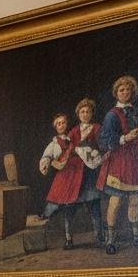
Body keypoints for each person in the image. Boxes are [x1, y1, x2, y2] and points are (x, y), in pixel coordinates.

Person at [97, 75, 138, 254]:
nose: (125, 92)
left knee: (135, 200)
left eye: (128, 89)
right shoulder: (112, 115)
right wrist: (125, 138)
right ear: (116, 93)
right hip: (120, 162)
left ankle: (137, 237)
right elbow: (104, 140)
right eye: (122, 90)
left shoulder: (137, 112)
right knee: (116, 201)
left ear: (132, 92)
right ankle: (110, 240)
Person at [38, 101, 104, 248]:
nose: (85, 114)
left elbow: (102, 147)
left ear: (92, 114)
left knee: (94, 204)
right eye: (82, 112)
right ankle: (69, 238)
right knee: (69, 206)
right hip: (73, 175)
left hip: (89, 173)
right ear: (78, 114)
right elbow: (64, 151)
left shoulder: (97, 128)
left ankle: (99, 235)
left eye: (88, 112)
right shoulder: (73, 131)